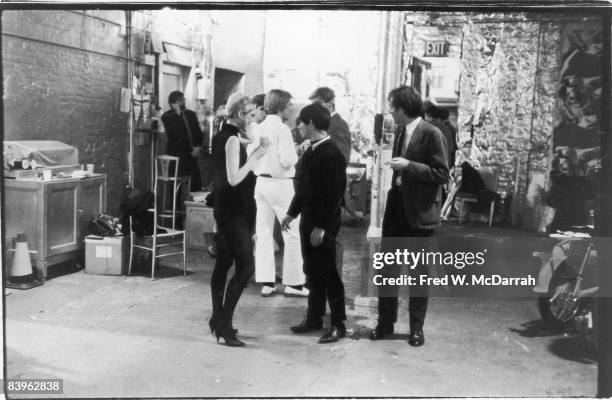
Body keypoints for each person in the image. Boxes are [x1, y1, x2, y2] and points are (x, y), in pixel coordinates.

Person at [369, 85, 449, 346]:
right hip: (396, 213)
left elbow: (441, 174)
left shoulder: (432, 134)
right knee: (388, 271)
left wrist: (408, 166)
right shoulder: (401, 131)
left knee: (418, 274)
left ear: (404, 108)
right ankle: (385, 323)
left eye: (393, 107)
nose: (390, 111)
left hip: (420, 216)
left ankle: (416, 328)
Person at [281, 103, 348, 344]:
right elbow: (304, 189)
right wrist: (291, 213)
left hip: (323, 226)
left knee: (329, 274)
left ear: (311, 123)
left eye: (300, 122)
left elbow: (334, 195)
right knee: (311, 271)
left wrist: (322, 226)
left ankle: (338, 324)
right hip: (308, 221)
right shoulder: (310, 151)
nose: (297, 126)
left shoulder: (333, 154)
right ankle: (314, 318)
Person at [209, 92, 267, 347]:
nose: (254, 120)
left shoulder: (223, 135)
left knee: (223, 263)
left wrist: (249, 141)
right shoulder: (232, 140)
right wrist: (256, 155)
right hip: (234, 211)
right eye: (251, 115)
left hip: (225, 208)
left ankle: (217, 318)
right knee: (246, 267)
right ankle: (224, 325)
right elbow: (234, 178)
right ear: (240, 115)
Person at [252, 90, 308, 297]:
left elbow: (253, 157)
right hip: (280, 184)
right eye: (290, 105)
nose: (292, 108)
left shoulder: (258, 127)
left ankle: (267, 282)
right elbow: (287, 160)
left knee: (264, 233)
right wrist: (299, 151)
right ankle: (294, 284)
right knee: (292, 232)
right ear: (282, 106)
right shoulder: (282, 128)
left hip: (260, 183)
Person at [161, 91, 204, 191]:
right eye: (180, 100)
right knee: (174, 184)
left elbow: (198, 133)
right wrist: (178, 115)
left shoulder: (191, 114)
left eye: (183, 99)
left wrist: (198, 147)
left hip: (190, 155)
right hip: (175, 155)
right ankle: (175, 206)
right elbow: (176, 134)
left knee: (195, 181)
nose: (183, 102)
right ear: (172, 103)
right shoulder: (167, 117)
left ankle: (194, 204)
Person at [308, 87, 352, 163]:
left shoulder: (337, 125)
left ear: (331, 103)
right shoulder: (327, 124)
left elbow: (341, 159)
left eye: (317, 104)